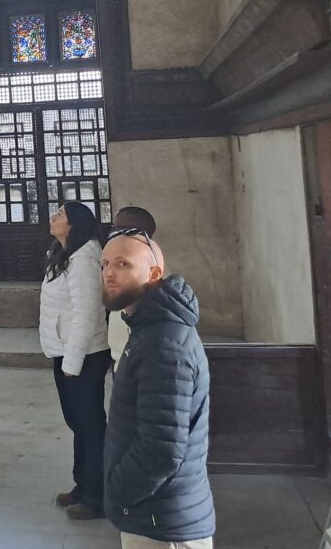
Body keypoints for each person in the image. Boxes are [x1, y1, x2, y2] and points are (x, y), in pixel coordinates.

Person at [101, 231, 215, 548]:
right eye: (105, 263)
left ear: (153, 273)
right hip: (154, 512)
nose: (109, 272)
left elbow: (161, 451)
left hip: (163, 522)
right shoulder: (149, 329)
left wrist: (118, 491)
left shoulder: (163, 344)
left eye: (122, 264)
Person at [39, 201, 111, 521]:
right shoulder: (60, 253)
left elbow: (86, 314)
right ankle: (83, 484)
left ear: (74, 224)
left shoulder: (84, 259)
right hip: (65, 351)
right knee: (78, 423)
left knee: (90, 425)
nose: (53, 218)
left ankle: (99, 496)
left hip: (83, 355)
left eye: (60, 215)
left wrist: (72, 363)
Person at [106, 206, 157, 367]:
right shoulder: (121, 264)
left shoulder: (149, 270)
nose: (113, 232)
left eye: (118, 228)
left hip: (137, 364)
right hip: (121, 360)